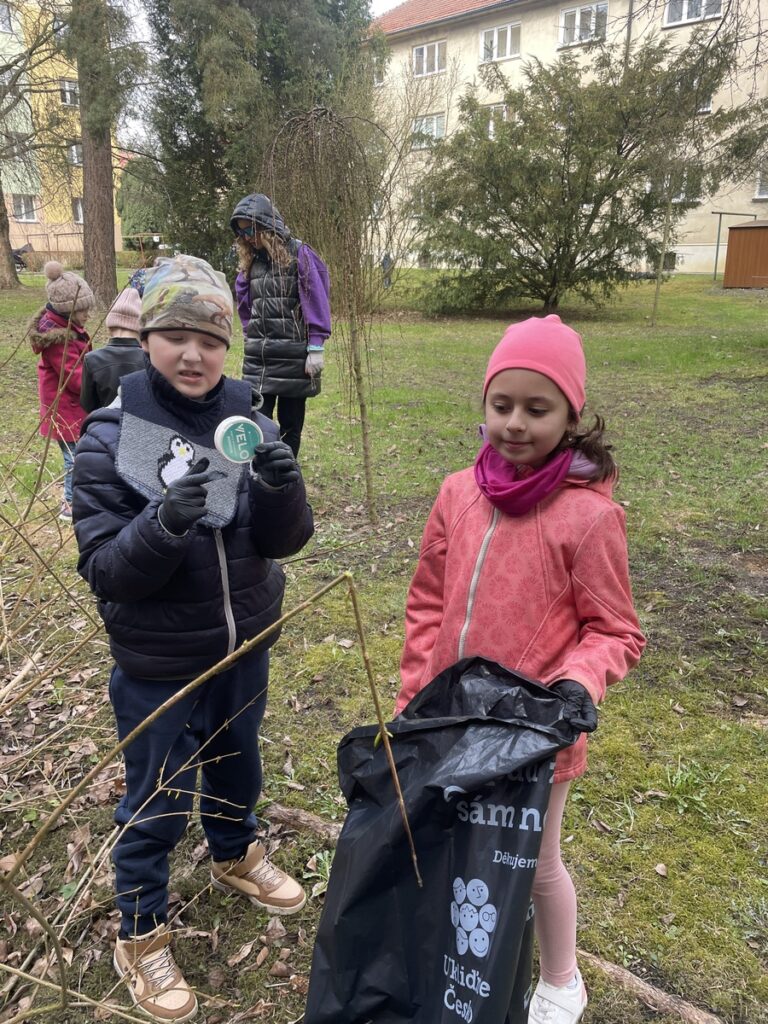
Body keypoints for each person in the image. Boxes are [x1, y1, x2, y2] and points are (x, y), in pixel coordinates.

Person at [72, 254, 314, 1023]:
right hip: (159, 661)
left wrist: (281, 484)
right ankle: (139, 930)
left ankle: (235, 850)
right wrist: (164, 521)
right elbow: (109, 570)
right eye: (173, 334)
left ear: (226, 346)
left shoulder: (246, 420)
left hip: (244, 645)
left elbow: (284, 542)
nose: (192, 353)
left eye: (209, 337)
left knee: (239, 762)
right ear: (146, 340)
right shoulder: (112, 437)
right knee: (156, 798)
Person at [395, 315, 646, 1024]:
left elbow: (616, 629)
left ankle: (562, 979)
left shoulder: (589, 519)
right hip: (449, 723)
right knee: (460, 848)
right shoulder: (456, 495)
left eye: (537, 409)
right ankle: (468, 953)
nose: (514, 423)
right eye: (501, 404)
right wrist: (415, 696)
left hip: (537, 736)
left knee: (533, 862)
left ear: (572, 415)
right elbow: (426, 603)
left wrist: (577, 684)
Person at [231, 193, 331, 457]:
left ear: (266, 225)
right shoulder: (250, 262)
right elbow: (243, 301)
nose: (248, 237)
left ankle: (285, 478)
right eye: (242, 233)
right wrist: (250, 331)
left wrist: (316, 344)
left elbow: (316, 296)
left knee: (290, 428)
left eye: (251, 229)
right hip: (259, 360)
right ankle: (257, 475)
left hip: (293, 358)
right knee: (255, 424)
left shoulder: (300, 254)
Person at [29, 261, 94, 522]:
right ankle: (70, 503)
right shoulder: (59, 340)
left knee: (78, 454)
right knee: (74, 458)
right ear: (67, 310)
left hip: (71, 405)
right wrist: (96, 383)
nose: (87, 315)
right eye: (82, 310)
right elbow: (74, 378)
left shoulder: (70, 329)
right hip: (64, 408)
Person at [80, 287, 146, 412]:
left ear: (109, 327)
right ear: (140, 328)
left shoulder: (91, 359)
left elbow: (87, 405)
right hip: (142, 428)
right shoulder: (151, 359)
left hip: (103, 427)